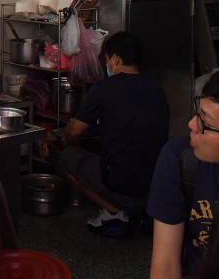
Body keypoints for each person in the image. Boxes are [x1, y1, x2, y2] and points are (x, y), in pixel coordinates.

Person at [60, 31, 170, 237]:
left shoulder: (104, 88)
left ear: (116, 59)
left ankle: (114, 211)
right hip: (155, 182)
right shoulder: (157, 90)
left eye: (107, 59)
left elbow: (74, 131)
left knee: (67, 157)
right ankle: (141, 209)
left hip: (122, 183)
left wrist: (67, 140)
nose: (107, 65)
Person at [147, 69, 219, 279]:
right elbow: (165, 266)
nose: (191, 125)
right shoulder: (179, 159)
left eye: (206, 122)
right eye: (199, 113)